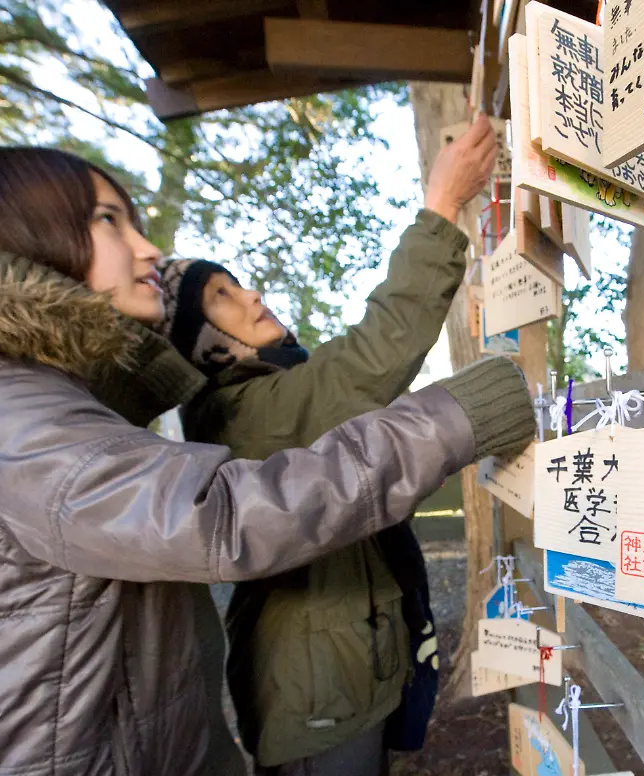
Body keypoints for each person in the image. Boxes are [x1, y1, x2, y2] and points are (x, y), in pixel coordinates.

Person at [0, 145, 536, 776]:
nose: (146, 250)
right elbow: (221, 515)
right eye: (109, 221)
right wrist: (461, 398)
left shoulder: (28, 398)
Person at [157, 116, 499, 776]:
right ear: (203, 343)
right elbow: (372, 358)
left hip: (335, 676)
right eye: (221, 298)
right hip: (316, 695)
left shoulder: (272, 391)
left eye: (237, 281)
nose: (250, 295)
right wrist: (443, 207)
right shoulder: (243, 412)